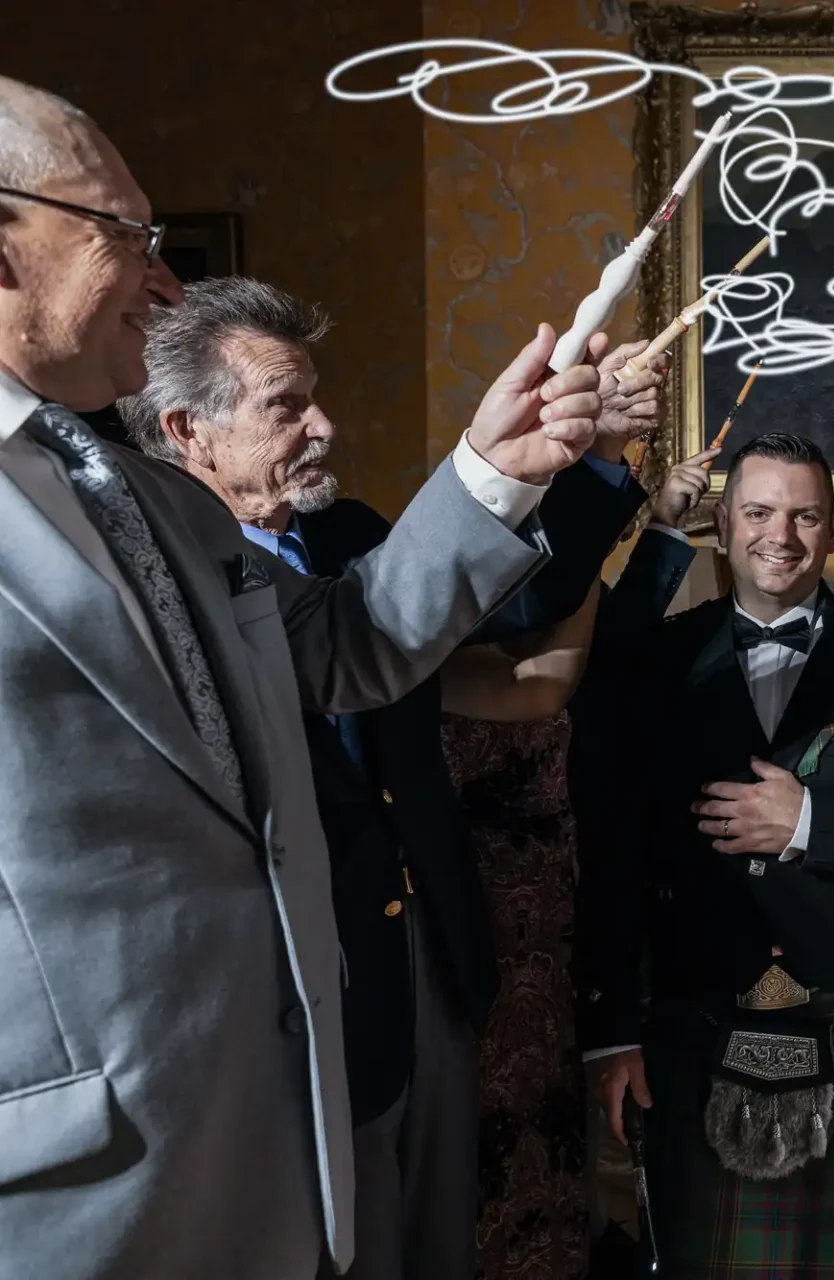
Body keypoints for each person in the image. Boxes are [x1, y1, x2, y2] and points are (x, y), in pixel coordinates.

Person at [0, 77, 603, 1279]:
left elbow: (339, 647)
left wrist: (494, 468)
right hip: (72, 1190)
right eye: (124, 234)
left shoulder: (154, 493)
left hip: (281, 1129)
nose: (165, 281)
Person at [118, 274, 667, 1280]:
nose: (324, 424)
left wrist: (592, 462)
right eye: (288, 404)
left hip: (428, 954)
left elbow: (511, 608)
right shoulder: (146, 585)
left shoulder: (353, 536)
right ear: (187, 429)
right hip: (279, 992)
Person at [570, 432, 834, 1278]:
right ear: (722, 525)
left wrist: (815, 822)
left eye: (805, 516)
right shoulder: (651, 659)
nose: (782, 536)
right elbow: (609, 849)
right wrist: (609, 1032)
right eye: (759, 512)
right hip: (693, 1007)